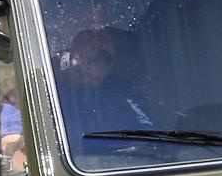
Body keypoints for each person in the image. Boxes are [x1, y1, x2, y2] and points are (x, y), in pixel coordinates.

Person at [55, 24, 155, 153]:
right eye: (87, 39)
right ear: (74, 49)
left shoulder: (123, 89)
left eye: (105, 38)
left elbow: (151, 138)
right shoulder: (52, 93)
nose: (98, 46)